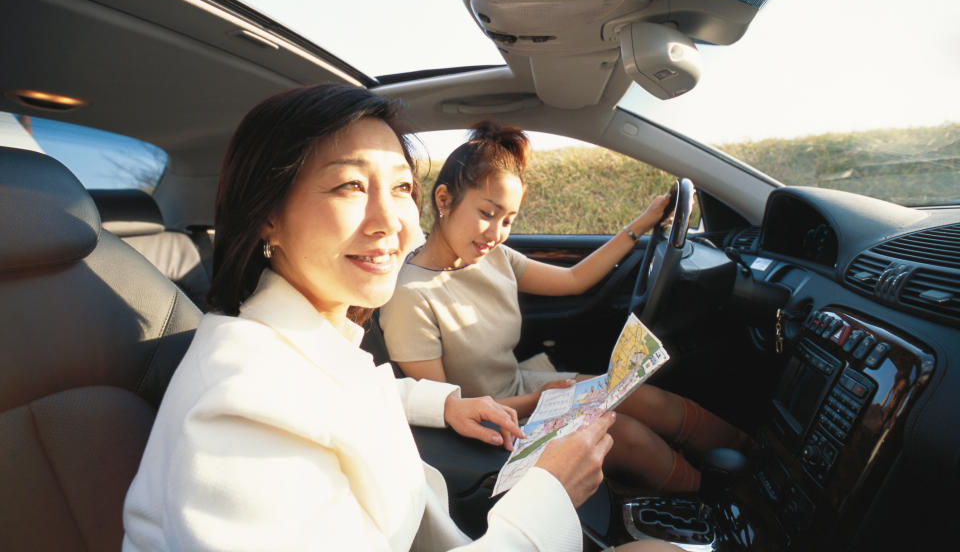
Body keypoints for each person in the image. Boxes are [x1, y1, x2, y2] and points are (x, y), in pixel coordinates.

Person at [121, 84, 679, 552]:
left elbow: (341, 389)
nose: (391, 220)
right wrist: (552, 492)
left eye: (401, 187)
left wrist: (445, 403)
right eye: (350, 185)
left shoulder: (306, 340)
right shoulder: (240, 408)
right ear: (267, 216)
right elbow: (299, 403)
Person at [380, 123, 751, 494]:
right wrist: (538, 400)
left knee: (644, 397)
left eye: (507, 220)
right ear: (444, 200)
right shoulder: (410, 297)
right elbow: (449, 409)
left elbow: (574, 280)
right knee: (626, 435)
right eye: (487, 213)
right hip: (493, 424)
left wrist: (643, 223)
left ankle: (753, 458)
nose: (496, 233)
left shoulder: (495, 257)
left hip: (525, 387)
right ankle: (712, 497)